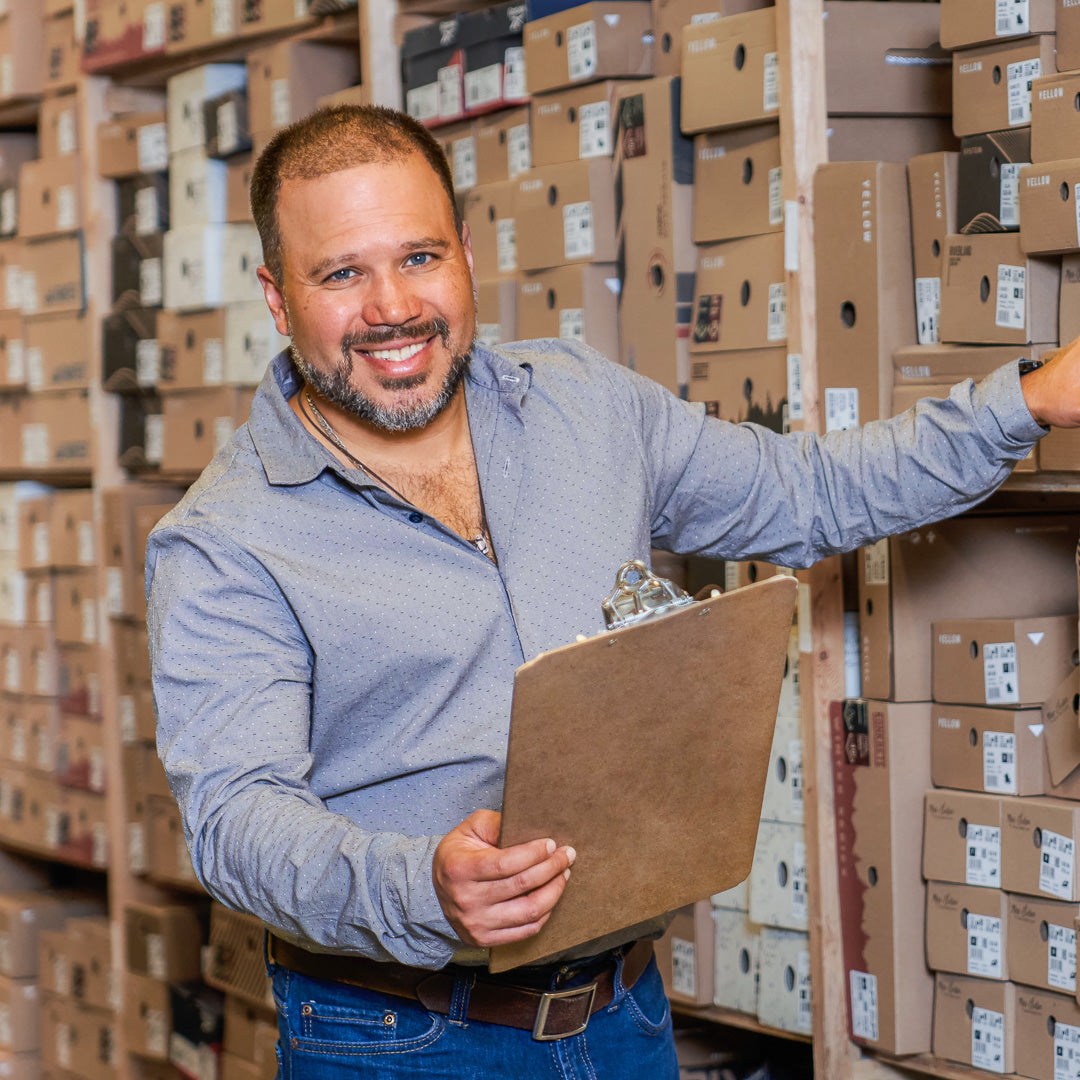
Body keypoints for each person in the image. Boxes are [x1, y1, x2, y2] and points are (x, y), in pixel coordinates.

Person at [146, 104, 1076, 1079]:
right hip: (395, 1038)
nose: (391, 308)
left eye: (419, 257)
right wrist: (421, 885)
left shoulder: (584, 407)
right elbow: (238, 820)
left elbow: (809, 494)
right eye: (342, 273)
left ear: (466, 252)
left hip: (624, 1012)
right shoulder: (224, 542)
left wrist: (1027, 401)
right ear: (278, 296)